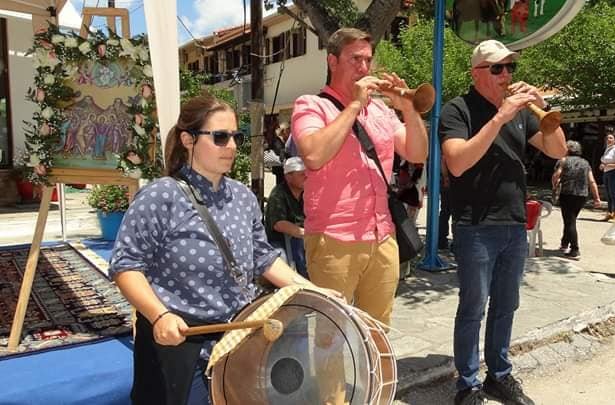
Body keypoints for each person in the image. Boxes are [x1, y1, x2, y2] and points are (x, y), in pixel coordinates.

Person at [109, 96, 335, 405]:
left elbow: (263, 258)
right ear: (188, 139)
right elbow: (126, 265)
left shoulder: (243, 196)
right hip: (179, 345)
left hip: (238, 341)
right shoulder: (161, 195)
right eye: (219, 137)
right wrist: (158, 315)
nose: (231, 145)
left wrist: (314, 293)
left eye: (235, 137)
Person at [439, 39, 566, 405]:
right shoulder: (457, 110)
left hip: (513, 224)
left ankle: (499, 374)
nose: (506, 75)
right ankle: (467, 384)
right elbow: (458, 162)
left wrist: (544, 108)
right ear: (477, 73)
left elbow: (557, 149)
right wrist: (500, 117)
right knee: (473, 307)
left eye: (510, 68)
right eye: (497, 68)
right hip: (475, 226)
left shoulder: (522, 113)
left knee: (506, 305)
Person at [291, 27, 428, 327]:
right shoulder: (311, 105)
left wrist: (409, 108)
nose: (364, 68)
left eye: (368, 60)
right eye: (355, 59)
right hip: (333, 237)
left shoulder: (380, 110)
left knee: (378, 331)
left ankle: (376, 378)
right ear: (332, 61)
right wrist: (354, 105)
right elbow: (313, 154)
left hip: (382, 236)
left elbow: (418, 153)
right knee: (332, 334)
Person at [551, 140, 601, 259]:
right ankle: (564, 243)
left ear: (568, 149)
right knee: (571, 219)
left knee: (569, 221)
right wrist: (597, 198)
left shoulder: (563, 160)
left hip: (567, 194)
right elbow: (592, 181)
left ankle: (575, 249)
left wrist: (555, 185)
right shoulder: (585, 163)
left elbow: (556, 175)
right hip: (582, 195)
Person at [264, 156, 308, 278]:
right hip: (279, 241)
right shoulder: (278, 194)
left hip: (302, 240)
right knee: (282, 263)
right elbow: (279, 224)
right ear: (288, 177)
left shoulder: (307, 193)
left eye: (306, 173)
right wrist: (306, 233)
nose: (306, 177)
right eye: (301, 174)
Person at [599, 129, 615, 220]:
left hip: (614, 173)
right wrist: (602, 165)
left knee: (613, 193)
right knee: (608, 194)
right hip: (606, 172)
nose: (608, 139)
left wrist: (607, 165)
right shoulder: (607, 149)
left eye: (611, 138)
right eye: (607, 138)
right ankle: (610, 213)